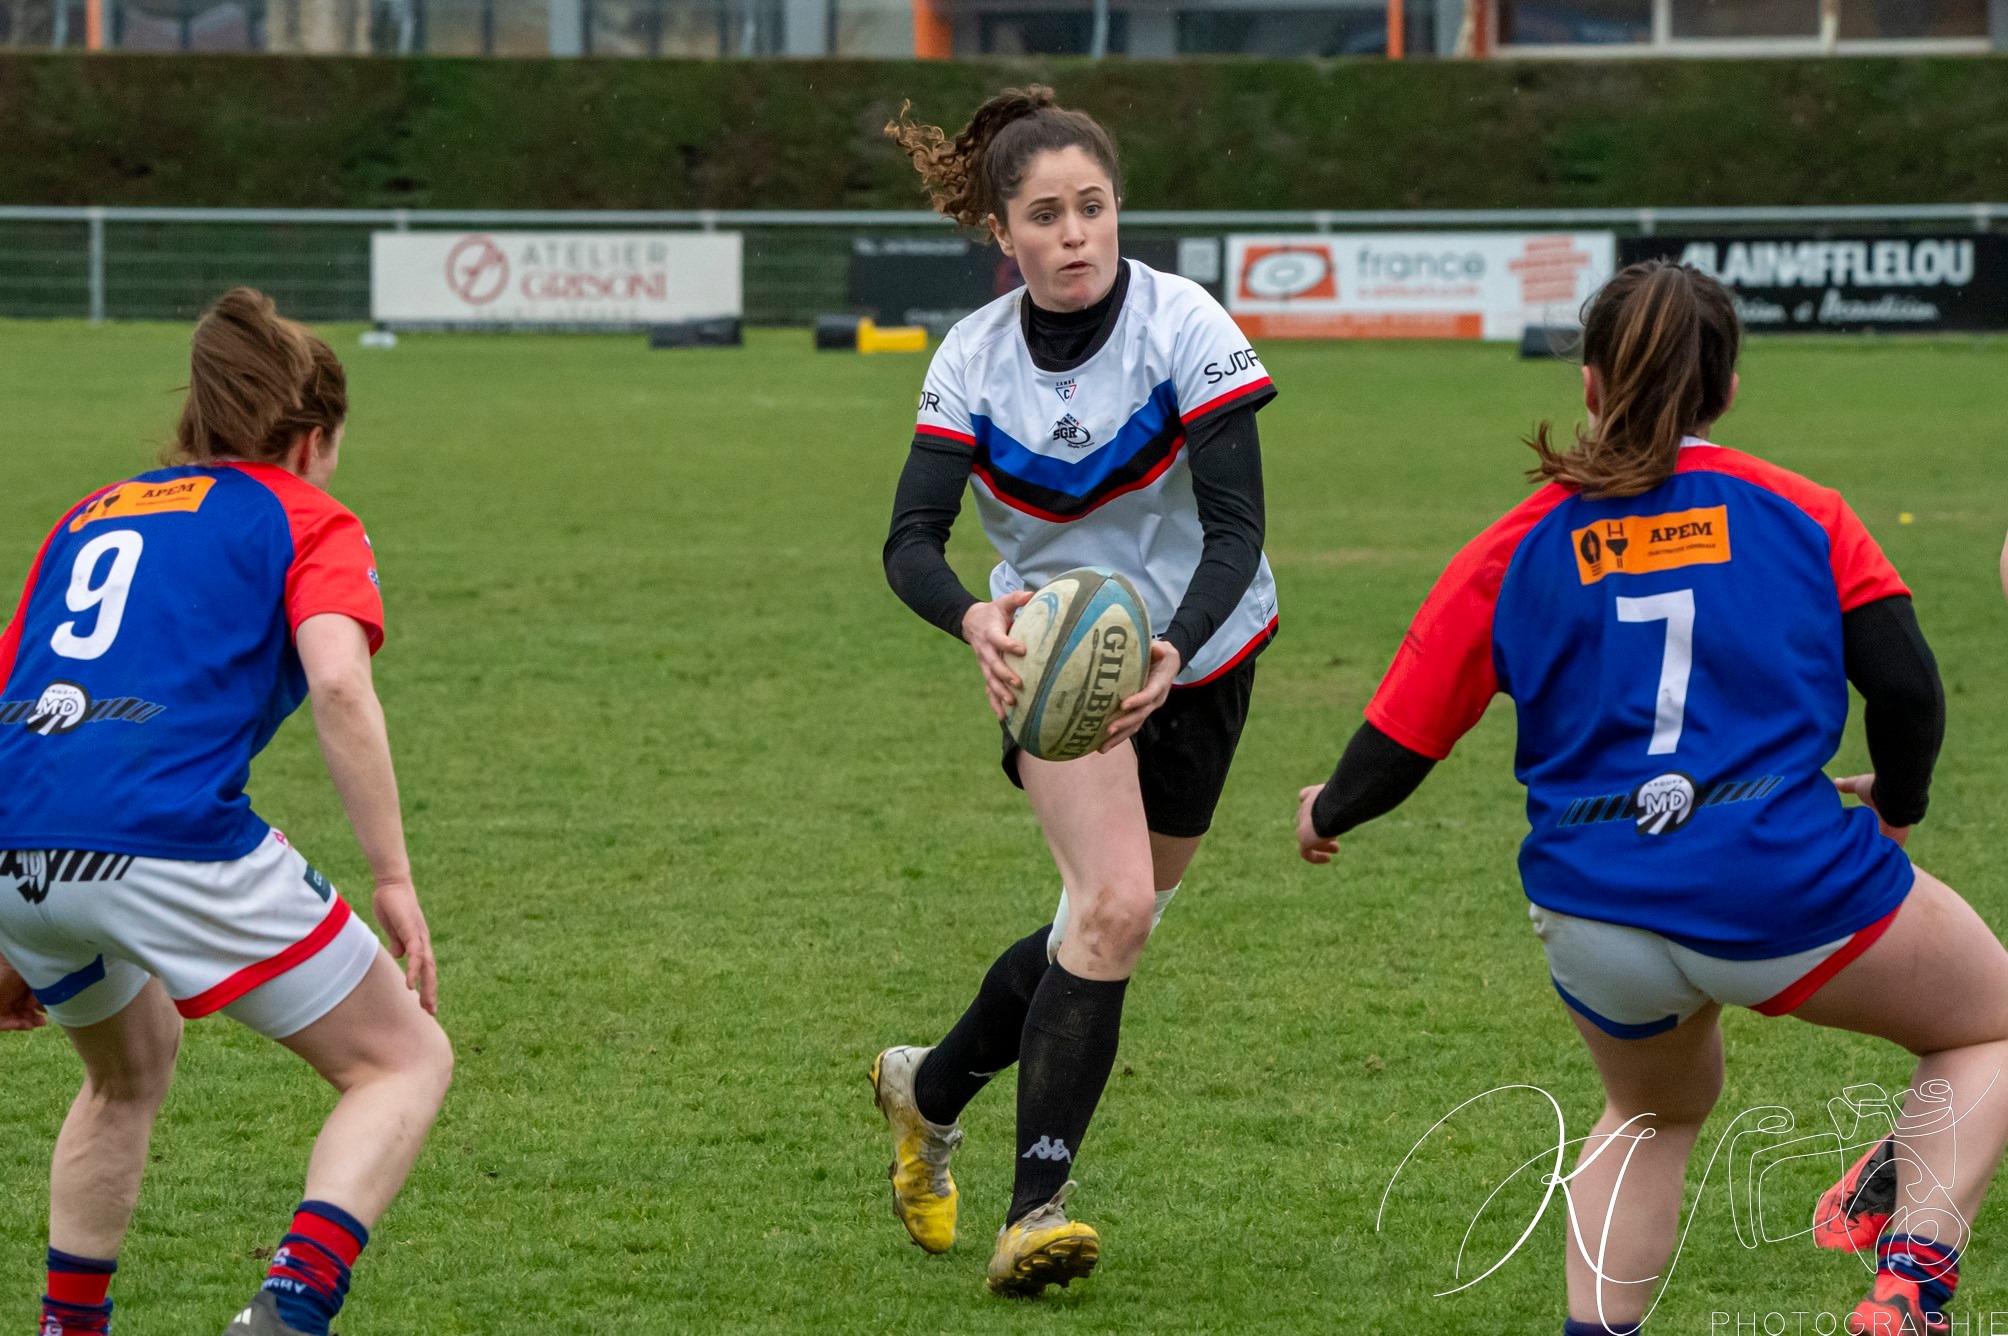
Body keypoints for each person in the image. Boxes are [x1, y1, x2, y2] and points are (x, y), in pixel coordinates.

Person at [1294, 259, 2006, 1336]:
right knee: (1989, 1027)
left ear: (1588, 383)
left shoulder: (1515, 542)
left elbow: (1400, 736)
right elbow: (1906, 686)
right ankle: (1908, 1288)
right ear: (1724, 389)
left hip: (1595, 907)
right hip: (1781, 881)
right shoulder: (1803, 513)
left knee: (1651, 1110)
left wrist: (1327, 812)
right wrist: (1895, 801)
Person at [872, 86, 1278, 1295]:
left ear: (1117, 212)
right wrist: (973, 615)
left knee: (1102, 927)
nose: (1074, 234)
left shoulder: (1183, 325)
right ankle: (1030, 1210)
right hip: (1056, 664)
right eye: (1044, 215)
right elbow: (908, 539)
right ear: (1002, 233)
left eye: (1092, 208)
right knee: (1109, 908)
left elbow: (1236, 526)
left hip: (1203, 654)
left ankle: (927, 1086)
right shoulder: (973, 361)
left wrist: (1176, 645)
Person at [0, 288, 453, 1336]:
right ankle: (287, 1313)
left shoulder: (89, 514)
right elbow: (338, 682)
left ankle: (69, 1328)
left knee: (128, 1070)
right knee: (403, 1058)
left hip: (19, 838)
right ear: (313, 436)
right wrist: (391, 873)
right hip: (163, 837)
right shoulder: (307, 514)